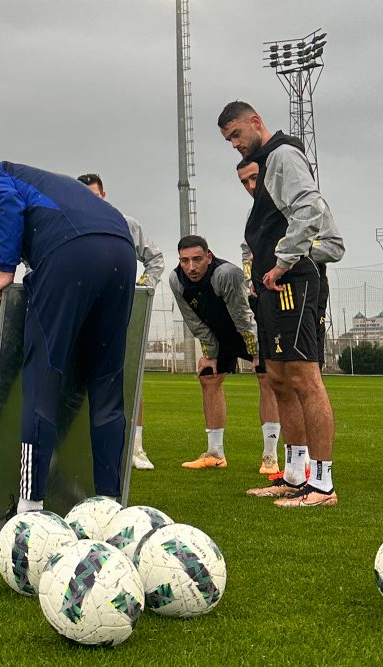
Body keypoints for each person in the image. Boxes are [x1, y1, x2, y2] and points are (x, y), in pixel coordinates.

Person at [0, 162, 136, 512]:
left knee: (43, 376)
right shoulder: (50, 184)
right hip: (122, 248)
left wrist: (5, 270)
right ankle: (110, 505)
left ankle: (30, 507)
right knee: (107, 382)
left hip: (70, 250)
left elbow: (5, 204)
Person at [218, 101, 344, 506]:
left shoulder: (283, 154)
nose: (234, 144)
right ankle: (293, 474)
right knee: (278, 380)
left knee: (305, 380)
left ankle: (322, 483)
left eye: (236, 134)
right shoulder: (267, 163)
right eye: (229, 140)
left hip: (291, 282)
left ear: (256, 122)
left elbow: (310, 209)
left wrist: (284, 261)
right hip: (271, 287)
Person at [77, 173, 164, 471]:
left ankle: (136, 448)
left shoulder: (126, 224)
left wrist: (139, 290)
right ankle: (81, 445)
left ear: (104, 194)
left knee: (126, 377)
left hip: (119, 312)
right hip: (81, 313)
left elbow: (155, 259)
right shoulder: (70, 223)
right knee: (77, 378)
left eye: (94, 195)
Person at [170, 235, 260, 469]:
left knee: (268, 376)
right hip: (218, 331)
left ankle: (270, 457)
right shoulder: (176, 280)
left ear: (208, 257)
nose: (191, 267)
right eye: (185, 261)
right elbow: (193, 321)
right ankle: (215, 453)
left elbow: (243, 316)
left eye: (197, 259)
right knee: (208, 379)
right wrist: (210, 352)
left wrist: (256, 351)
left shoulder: (226, 274)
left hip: (249, 327)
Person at [237, 160, 283, 475]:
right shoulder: (252, 224)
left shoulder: (291, 209)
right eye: (245, 182)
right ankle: (272, 457)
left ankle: (307, 461)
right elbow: (248, 266)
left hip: (294, 301)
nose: (251, 186)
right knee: (266, 377)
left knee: (296, 379)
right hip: (263, 304)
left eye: (255, 178)